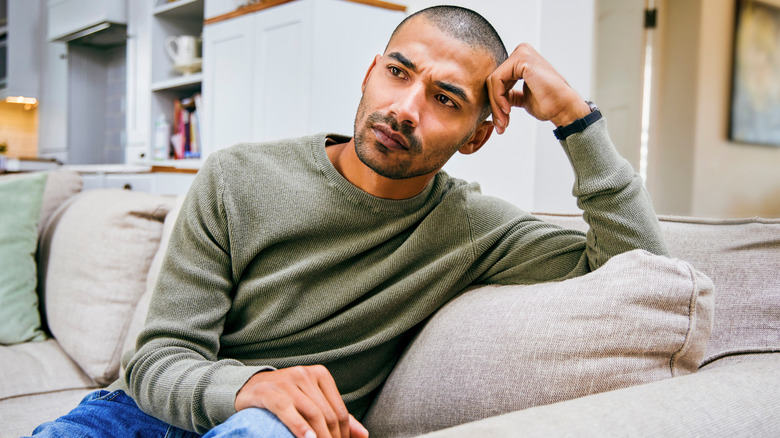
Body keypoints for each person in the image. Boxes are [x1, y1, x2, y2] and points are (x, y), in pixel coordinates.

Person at [30, 5, 668, 438]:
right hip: (143, 417)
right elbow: (158, 359)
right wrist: (252, 386)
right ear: (371, 73)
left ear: (476, 137)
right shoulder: (237, 176)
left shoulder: (473, 229)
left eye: (444, 99)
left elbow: (644, 272)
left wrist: (574, 119)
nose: (404, 108)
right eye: (398, 72)